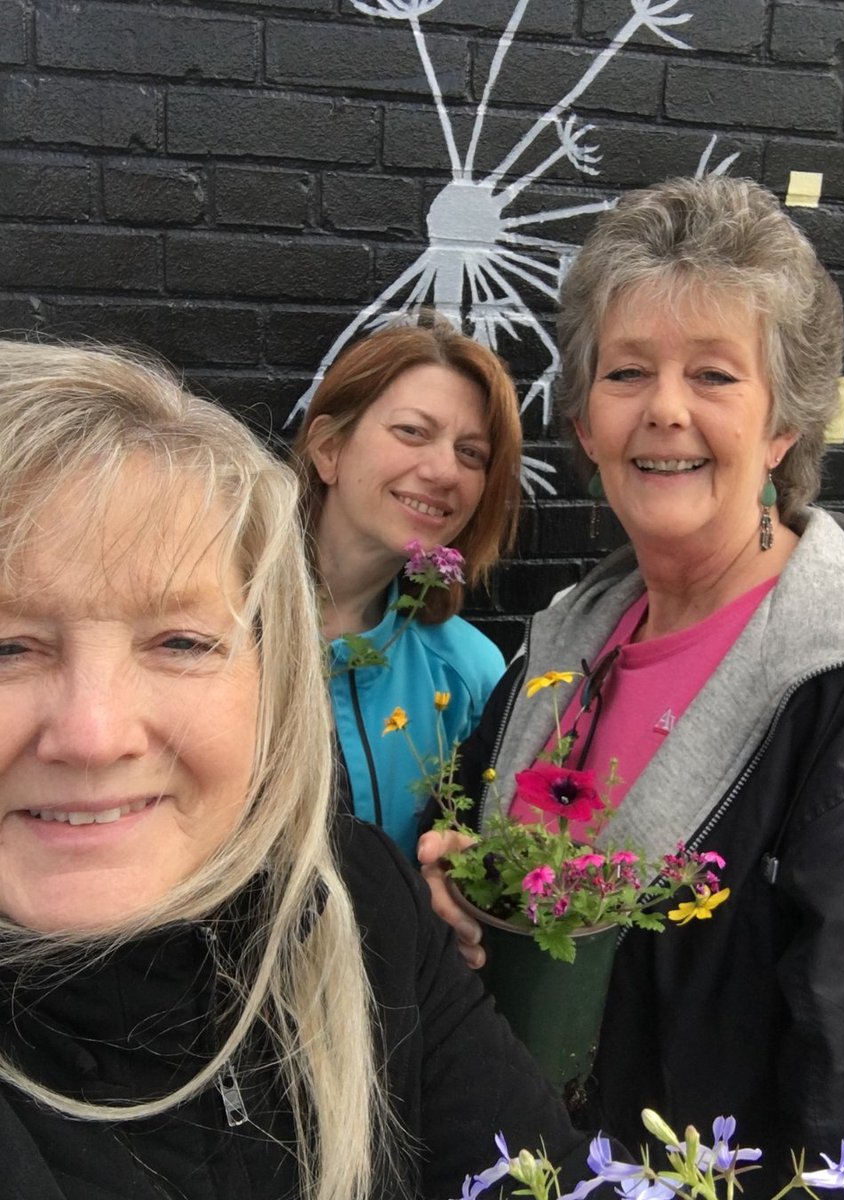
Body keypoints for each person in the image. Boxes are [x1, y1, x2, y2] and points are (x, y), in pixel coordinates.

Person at [419, 176, 844, 1198]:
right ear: (584, 422)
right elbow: (505, 914)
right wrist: (455, 894)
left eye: (714, 375)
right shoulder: (561, 646)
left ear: (783, 429)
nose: (664, 409)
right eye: (627, 373)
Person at [0, 340, 616, 1200]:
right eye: (8, 647)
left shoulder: (456, 695)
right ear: (326, 448)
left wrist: (466, 890)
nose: (95, 735)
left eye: (181, 644)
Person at [289, 316, 522, 858]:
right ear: (329, 450)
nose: (444, 472)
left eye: (472, 454)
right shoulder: (218, 630)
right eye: (412, 432)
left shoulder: (468, 671)